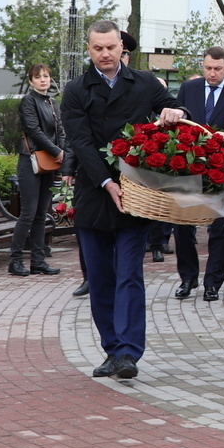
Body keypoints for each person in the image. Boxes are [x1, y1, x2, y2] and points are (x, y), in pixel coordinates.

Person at [62, 19, 185, 381]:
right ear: (89, 49)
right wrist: (104, 181)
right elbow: (80, 141)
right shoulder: (75, 90)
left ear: (122, 48)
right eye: (98, 48)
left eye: (111, 47)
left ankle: (130, 352)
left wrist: (177, 112)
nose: (105, 54)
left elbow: (174, 107)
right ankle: (112, 350)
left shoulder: (145, 83)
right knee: (100, 278)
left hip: (136, 194)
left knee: (129, 275)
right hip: (94, 193)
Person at [170, 48, 224, 301]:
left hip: (222, 168)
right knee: (182, 225)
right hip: (189, 168)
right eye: (208, 68)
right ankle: (187, 277)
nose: (212, 73)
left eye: (218, 69)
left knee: (220, 228)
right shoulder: (188, 89)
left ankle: (213, 282)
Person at [9, 63, 65, 277]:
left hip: (50, 161)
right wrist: (56, 151)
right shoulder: (28, 101)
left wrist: (61, 150)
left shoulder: (53, 103)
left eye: (46, 76)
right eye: (38, 76)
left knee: (42, 214)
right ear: (31, 80)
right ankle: (14, 261)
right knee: (28, 213)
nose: (43, 79)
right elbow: (33, 130)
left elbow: (61, 130)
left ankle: (38, 261)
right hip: (30, 161)